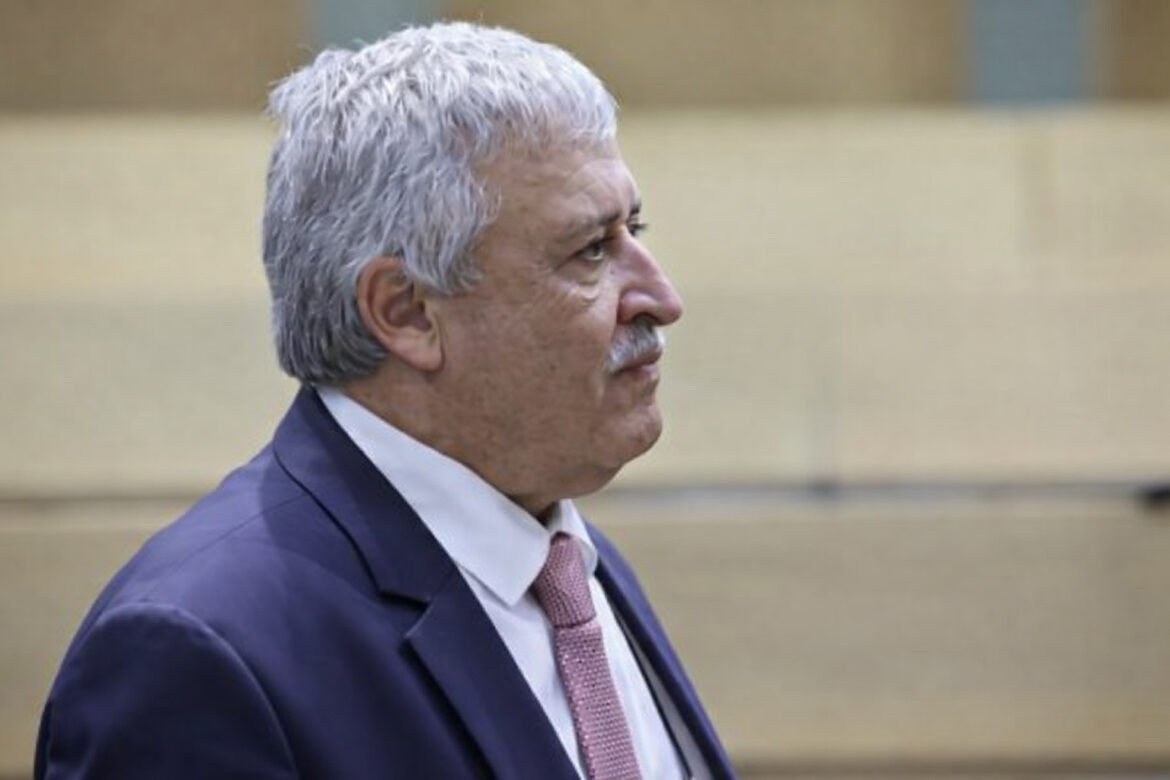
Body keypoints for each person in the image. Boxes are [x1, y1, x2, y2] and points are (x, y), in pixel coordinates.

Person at [34, 22, 734, 780]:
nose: (663, 299)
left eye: (635, 228)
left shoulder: (570, 566)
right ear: (405, 312)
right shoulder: (195, 653)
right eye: (590, 251)